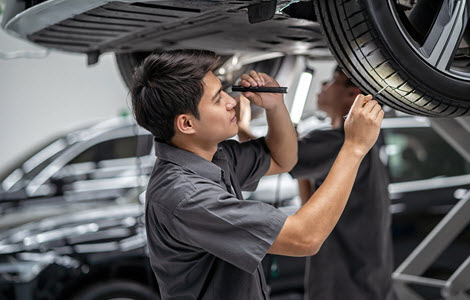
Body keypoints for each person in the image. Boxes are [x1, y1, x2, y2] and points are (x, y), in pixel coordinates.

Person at [131, 50, 384, 300]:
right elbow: (305, 238)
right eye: (218, 98)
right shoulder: (187, 196)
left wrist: (275, 107)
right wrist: (354, 147)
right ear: (187, 124)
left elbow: (282, 159)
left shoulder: (216, 157)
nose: (231, 101)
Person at [290, 66, 394, 300]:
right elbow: (309, 202)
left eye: (330, 81)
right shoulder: (368, 142)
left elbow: (275, 158)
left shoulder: (337, 142)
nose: (322, 87)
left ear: (353, 94)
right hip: (367, 283)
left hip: (345, 286)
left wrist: (247, 118)